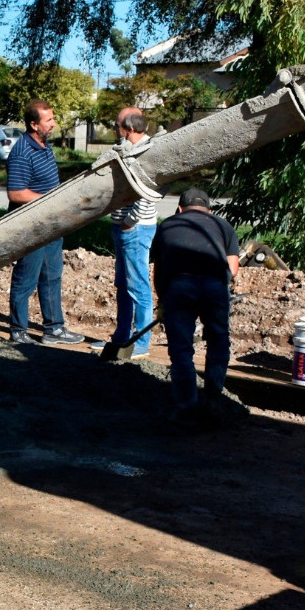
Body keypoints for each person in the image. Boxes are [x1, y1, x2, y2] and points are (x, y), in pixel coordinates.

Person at [151, 187, 240, 420]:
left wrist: (163, 301)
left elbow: (159, 270)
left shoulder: (167, 225)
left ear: (180, 208)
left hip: (179, 286)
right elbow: (232, 268)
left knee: (181, 349)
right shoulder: (223, 226)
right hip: (214, 285)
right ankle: (213, 396)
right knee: (219, 339)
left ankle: (186, 404)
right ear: (208, 210)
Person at [6, 100, 84, 345]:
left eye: (52, 119)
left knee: (52, 276)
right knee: (26, 279)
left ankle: (54, 329)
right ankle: (18, 331)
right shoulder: (22, 151)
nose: (54, 124)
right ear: (33, 124)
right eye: (48, 120)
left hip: (51, 225)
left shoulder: (44, 145)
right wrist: (51, 201)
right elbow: (16, 193)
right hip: (32, 227)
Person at [90, 108, 157, 359]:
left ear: (128, 128)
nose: (115, 130)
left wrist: (130, 221)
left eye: (117, 126)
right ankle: (122, 336)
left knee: (137, 284)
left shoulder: (147, 151)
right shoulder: (128, 148)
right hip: (125, 227)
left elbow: (148, 190)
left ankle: (141, 341)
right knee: (123, 284)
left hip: (136, 228)